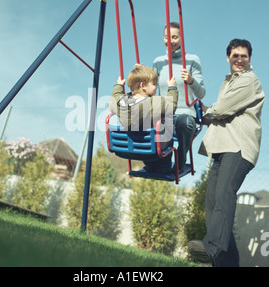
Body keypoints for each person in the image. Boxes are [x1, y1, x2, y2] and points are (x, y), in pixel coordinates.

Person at [188, 39, 265, 267]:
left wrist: (210, 111)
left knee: (224, 194)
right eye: (235, 56)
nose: (239, 60)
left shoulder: (249, 80)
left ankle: (212, 247)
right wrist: (204, 110)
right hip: (223, 147)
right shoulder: (230, 82)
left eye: (244, 56)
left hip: (239, 147)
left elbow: (222, 109)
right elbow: (219, 109)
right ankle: (228, 263)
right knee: (212, 204)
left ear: (249, 59)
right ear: (228, 58)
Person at [153, 22, 206, 172]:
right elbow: (150, 89)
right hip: (165, 113)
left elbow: (201, 93)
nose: (170, 41)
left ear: (182, 38)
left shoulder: (191, 60)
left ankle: (180, 161)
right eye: (166, 37)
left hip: (184, 114)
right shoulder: (158, 63)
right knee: (150, 121)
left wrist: (190, 80)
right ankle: (157, 161)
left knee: (185, 122)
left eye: (175, 37)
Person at [109, 64, 178, 174]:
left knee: (143, 135)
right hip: (152, 152)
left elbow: (114, 97)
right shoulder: (153, 103)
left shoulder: (120, 102)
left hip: (127, 151)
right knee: (167, 137)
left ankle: (149, 167)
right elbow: (171, 106)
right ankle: (164, 169)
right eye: (154, 84)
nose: (157, 87)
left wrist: (118, 85)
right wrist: (172, 88)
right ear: (143, 86)